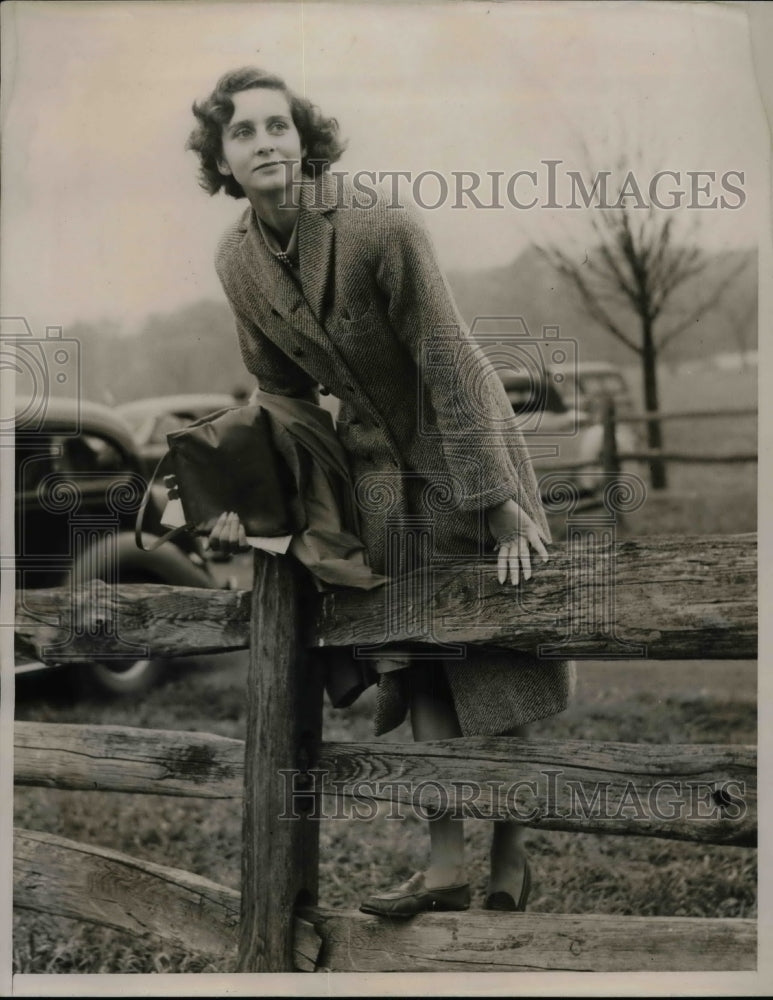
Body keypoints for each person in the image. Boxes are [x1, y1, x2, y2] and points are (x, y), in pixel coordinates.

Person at [187, 67, 573, 916]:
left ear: (304, 138)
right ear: (220, 158)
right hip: (379, 480)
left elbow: (448, 357)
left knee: (500, 659)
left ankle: (509, 862)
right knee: (420, 662)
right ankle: (445, 868)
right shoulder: (236, 261)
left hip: (467, 448)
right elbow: (281, 396)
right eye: (242, 132)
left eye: (278, 126)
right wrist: (251, 501)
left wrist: (496, 502)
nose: (264, 143)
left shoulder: (379, 224)